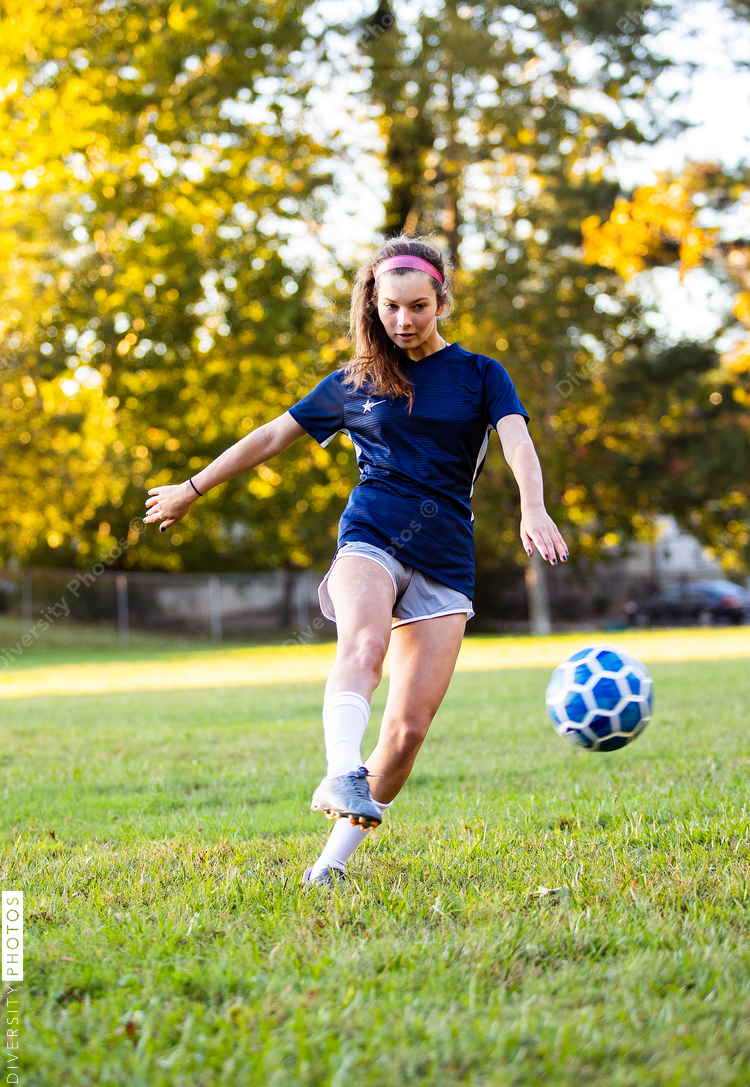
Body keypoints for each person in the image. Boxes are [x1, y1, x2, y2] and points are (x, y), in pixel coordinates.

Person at [144, 235, 568, 886]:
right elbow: (269, 437)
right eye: (391, 306)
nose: (403, 320)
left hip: (446, 559)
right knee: (364, 643)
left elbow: (518, 443)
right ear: (374, 301)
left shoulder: (481, 374)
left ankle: (329, 866)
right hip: (369, 538)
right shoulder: (355, 381)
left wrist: (532, 507)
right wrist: (191, 490)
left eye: (418, 307)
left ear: (442, 301)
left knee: (406, 732)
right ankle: (341, 767)